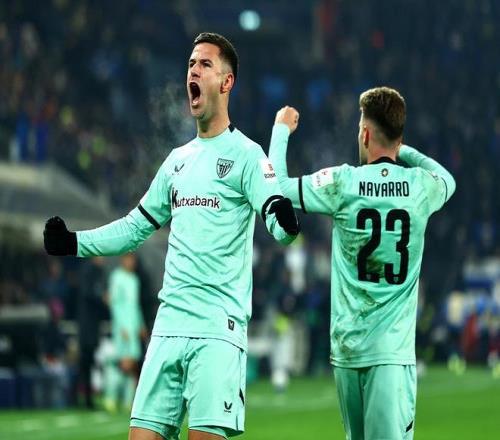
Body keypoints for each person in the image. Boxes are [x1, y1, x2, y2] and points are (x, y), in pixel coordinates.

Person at [43, 32, 299, 440]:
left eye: (205, 64)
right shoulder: (177, 161)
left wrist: (284, 221)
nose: (193, 71)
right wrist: (74, 242)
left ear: (227, 82)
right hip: (167, 325)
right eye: (190, 64)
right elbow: (133, 228)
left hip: (217, 329)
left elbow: (277, 219)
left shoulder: (247, 155)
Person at [268, 87, 456, 440]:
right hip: (391, 354)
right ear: (397, 135)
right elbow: (448, 178)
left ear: (366, 134)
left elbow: (276, 187)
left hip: (347, 352)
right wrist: (403, 149)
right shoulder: (420, 186)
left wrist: (280, 130)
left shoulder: (343, 182)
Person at [104, 253, 145, 412]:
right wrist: (121, 326)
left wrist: (141, 325)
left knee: (133, 365)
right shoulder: (117, 277)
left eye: (133, 260)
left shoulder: (134, 279)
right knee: (122, 364)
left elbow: (136, 305)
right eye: (128, 259)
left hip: (133, 327)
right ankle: (111, 397)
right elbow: (114, 303)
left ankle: (128, 401)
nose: (131, 263)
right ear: (123, 260)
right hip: (122, 328)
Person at [77, 256, 107, 409]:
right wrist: (102, 297)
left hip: (92, 324)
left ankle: (86, 398)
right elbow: (88, 293)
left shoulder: (98, 271)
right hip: (87, 325)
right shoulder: (89, 270)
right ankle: (83, 399)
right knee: (85, 362)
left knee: (88, 362)